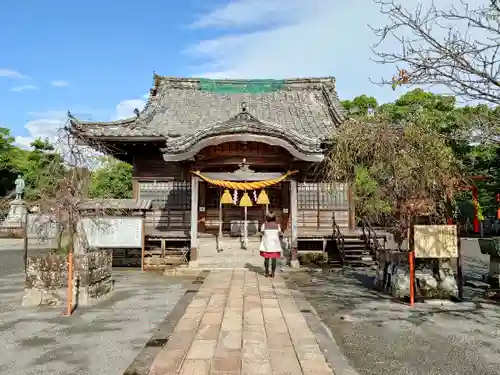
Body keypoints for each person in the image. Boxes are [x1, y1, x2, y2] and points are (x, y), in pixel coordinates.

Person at [259, 212, 282, 277]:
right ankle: (273, 273)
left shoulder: (264, 225)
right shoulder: (277, 225)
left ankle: (266, 273)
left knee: (266, 258)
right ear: (274, 218)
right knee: (274, 259)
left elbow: (261, 233)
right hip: (275, 245)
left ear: (267, 218)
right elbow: (280, 234)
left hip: (266, 244)